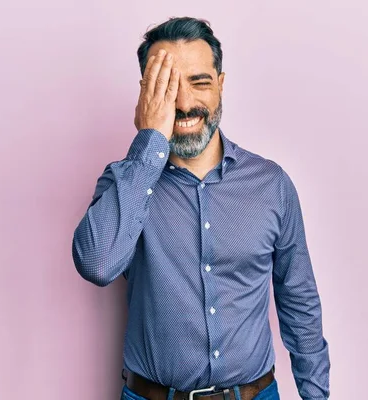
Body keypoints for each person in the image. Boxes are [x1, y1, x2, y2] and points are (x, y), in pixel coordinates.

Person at [72, 16, 330, 400]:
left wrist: (317, 395)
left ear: (221, 85)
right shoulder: (124, 182)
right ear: (147, 94)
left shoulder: (271, 185)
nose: (186, 103)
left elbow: (299, 301)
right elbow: (97, 264)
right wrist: (149, 143)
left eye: (199, 82)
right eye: (168, 86)